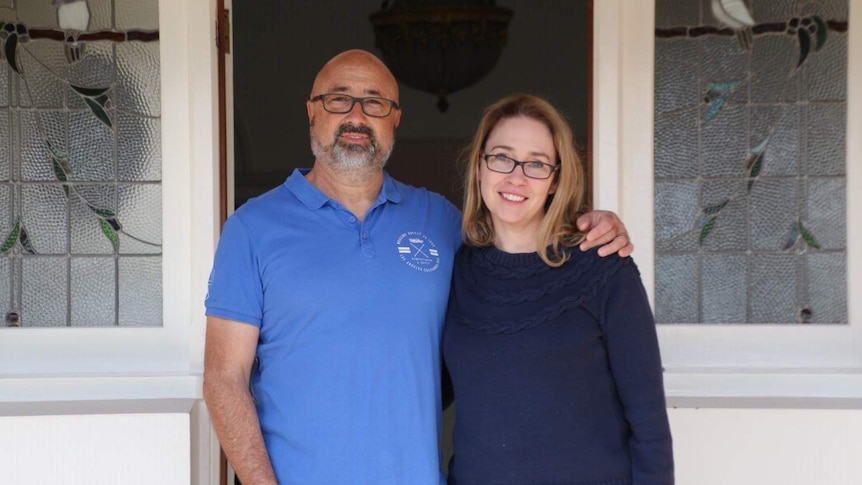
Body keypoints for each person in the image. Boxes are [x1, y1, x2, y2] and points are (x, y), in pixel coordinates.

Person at [203, 50, 633, 485]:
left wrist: (585, 226)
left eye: (375, 102)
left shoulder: (442, 221)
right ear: (313, 113)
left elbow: (523, 245)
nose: (356, 115)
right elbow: (224, 379)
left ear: (395, 120)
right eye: (339, 99)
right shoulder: (252, 228)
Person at [443, 94, 673, 484]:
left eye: (535, 163)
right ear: (480, 167)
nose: (516, 177)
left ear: (555, 179)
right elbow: (425, 389)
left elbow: (648, 422)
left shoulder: (602, 265)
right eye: (501, 156)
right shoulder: (455, 271)